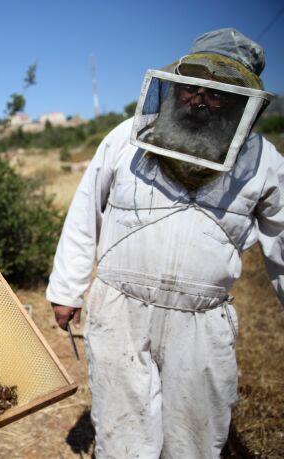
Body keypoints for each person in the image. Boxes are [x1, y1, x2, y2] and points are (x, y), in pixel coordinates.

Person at [46, 28, 283, 458]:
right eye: (193, 84)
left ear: (240, 102)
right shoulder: (126, 137)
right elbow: (85, 212)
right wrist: (66, 289)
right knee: (122, 433)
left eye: (218, 92)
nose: (200, 97)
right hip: (119, 308)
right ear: (176, 84)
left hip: (201, 321)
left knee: (194, 438)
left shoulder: (264, 162)